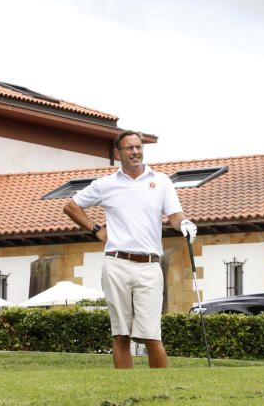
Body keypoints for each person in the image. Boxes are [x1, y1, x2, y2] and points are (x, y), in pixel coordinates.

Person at [63, 130, 197, 369]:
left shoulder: (161, 181)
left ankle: (161, 390)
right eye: (129, 148)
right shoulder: (106, 185)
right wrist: (96, 230)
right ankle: (125, 388)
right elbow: (72, 206)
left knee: (151, 336)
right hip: (117, 263)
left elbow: (175, 216)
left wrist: (184, 224)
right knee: (121, 335)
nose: (135, 152)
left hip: (149, 265)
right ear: (118, 153)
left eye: (138, 147)